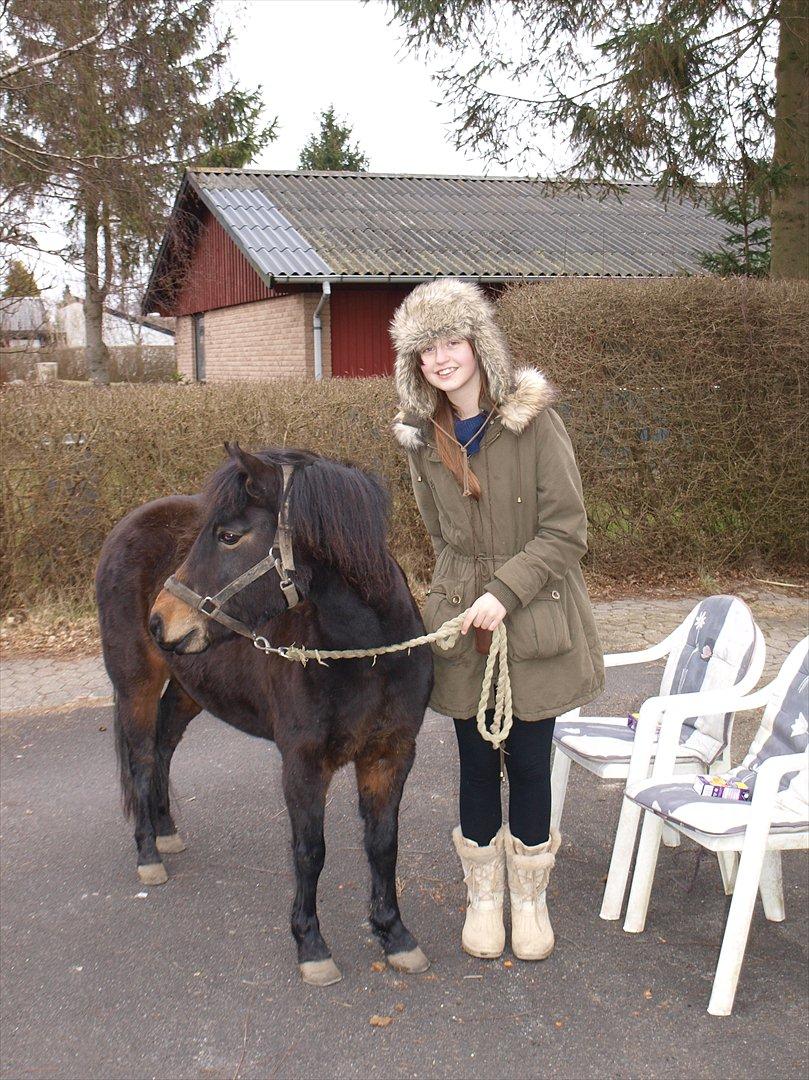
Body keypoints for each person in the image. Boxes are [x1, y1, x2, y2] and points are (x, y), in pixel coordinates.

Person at [390, 279, 604, 961]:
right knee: (475, 763)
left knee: (532, 763)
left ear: (477, 345)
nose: (439, 359)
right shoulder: (422, 438)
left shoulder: (533, 420)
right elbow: (438, 534)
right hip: (462, 623)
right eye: (425, 350)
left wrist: (504, 589)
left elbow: (567, 530)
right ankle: (484, 899)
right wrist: (456, 592)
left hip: (534, 616)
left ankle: (528, 900)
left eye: (450, 342)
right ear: (414, 364)